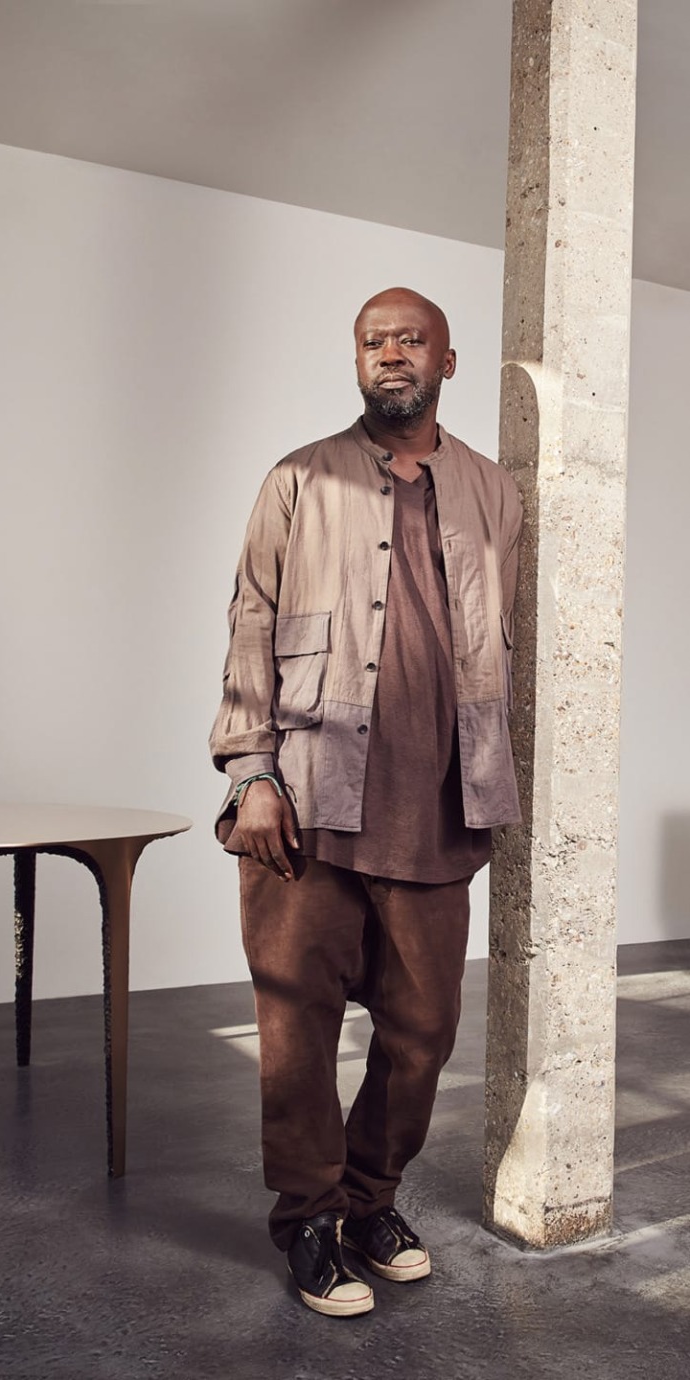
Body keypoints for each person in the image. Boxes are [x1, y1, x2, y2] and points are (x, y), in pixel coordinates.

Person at [210, 287, 521, 1318]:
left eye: (409, 339)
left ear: (446, 358)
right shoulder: (298, 477)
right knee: (294, 1028)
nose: (390, 354)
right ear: (357, 361)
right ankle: (305, 1217)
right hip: (304, 799)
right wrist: (249, 771)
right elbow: (250, 619)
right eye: (371, 341)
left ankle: (369, 1202)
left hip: (435, 806)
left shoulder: (489, 490)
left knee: (422, 1029)